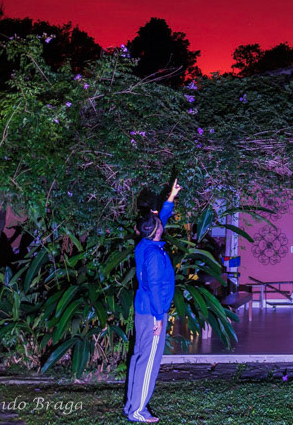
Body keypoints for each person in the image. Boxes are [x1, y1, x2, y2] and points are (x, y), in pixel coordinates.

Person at [124, 178, 181, 423]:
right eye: (159, 223)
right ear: (156, 230)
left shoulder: (145, 244)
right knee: (148, 362)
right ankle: (138, 411)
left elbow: (161, 220)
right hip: (152, 313)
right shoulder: (155, 255)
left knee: (139, 357)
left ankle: (132, 406)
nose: (161, 222)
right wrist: (159, 318)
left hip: (143, 310)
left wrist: (171, 198)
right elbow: (155, 287)